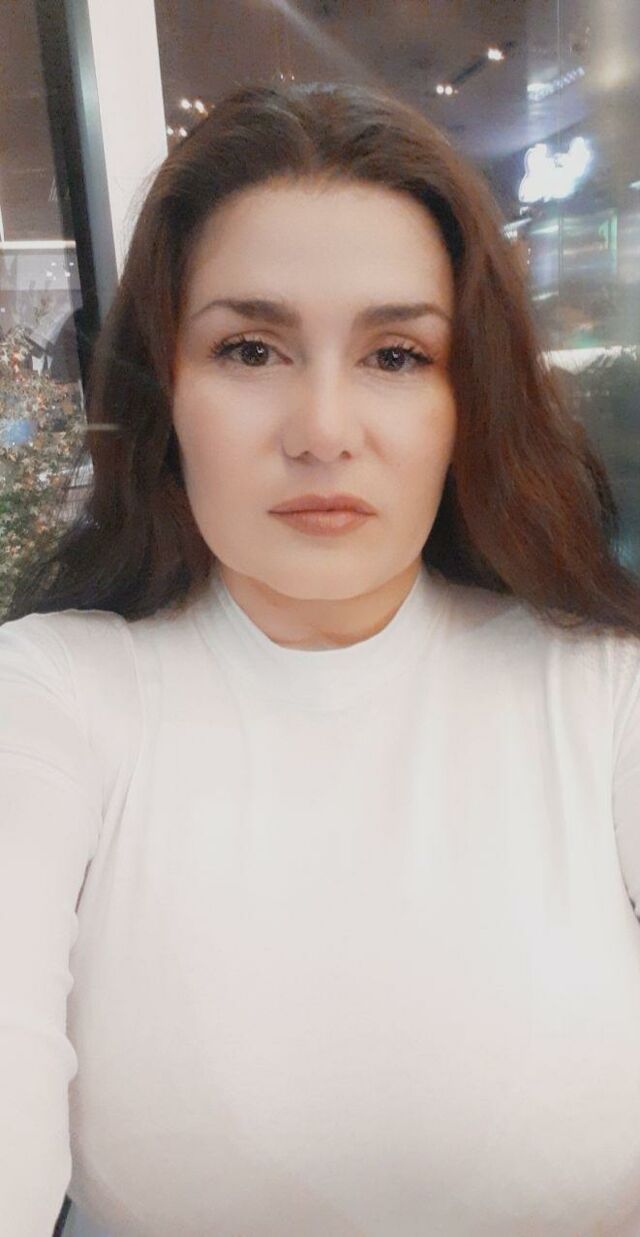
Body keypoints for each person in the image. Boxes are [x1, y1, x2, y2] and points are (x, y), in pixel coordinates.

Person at [1, 79, 640, 1237]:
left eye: (395, 354)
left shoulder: (604, 694)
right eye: (251, 349)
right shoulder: (53, 699)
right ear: (164, 390)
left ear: (468, 396)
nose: (324, 431)